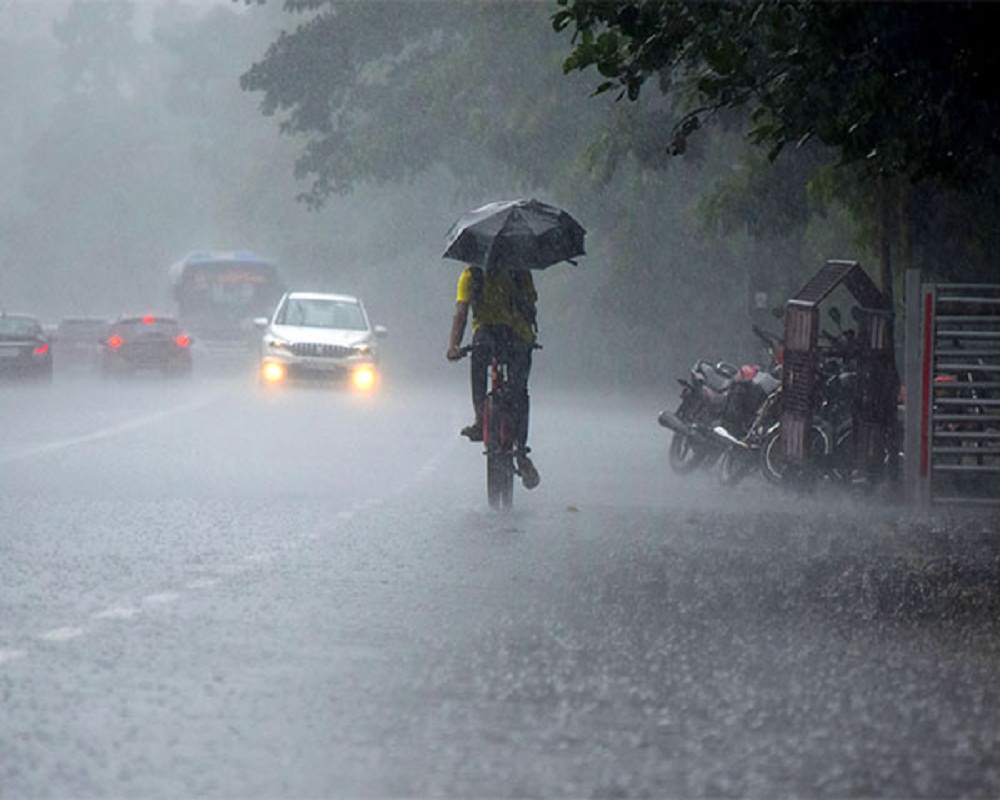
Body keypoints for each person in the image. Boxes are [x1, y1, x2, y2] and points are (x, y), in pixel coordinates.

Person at [446, 264, 540, 489]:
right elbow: (531, 304)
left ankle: (480, 418)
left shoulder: (471, 275)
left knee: (478, 363)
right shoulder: (520, 270)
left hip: (487, 336)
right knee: (519, 390)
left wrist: (454, 346)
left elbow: (461, 312)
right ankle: (521, 450)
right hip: (518, 336)